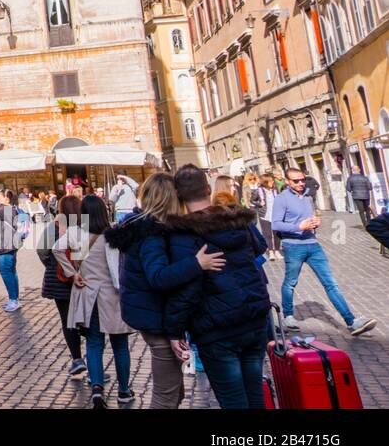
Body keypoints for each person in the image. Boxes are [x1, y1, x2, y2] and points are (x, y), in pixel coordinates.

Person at [105, 173, 225, 409]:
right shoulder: (151, 234)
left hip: (148, 314)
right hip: (155, 318)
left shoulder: (138, 226)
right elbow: (158, 277)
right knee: (165, 396)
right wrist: (196, 264)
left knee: (174, 391)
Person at [162, 166, 272, 409]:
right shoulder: (236, 222)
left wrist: (174, 330)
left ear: (178, 195)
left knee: (234, 402)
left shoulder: (183, 234)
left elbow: (187, 291)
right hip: (253, 317)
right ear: (208, 189)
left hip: (217, 328)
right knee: (255, 396)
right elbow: (259, 248)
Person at [272, 167, 376, 336]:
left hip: (313, 245)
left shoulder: (307, 197)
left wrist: (315, 221)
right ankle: (288, 316)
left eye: (302, 179)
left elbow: (309, 217)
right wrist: (299, 226)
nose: (300, 183)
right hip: (293, 246)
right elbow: (276, 224)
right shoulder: (281, 199)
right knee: (290, 282)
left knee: (330, 283)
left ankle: (352, 322)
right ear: (287, 181)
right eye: (296, 181)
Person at [54, 195, 133, 407]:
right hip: (113, 296)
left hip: (89, 295)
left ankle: (97, 388)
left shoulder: (75, 233)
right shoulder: (113, 234)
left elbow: (56, 249)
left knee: (94, 343)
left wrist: (73, 273)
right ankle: (124, 391)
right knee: (120, 345)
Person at [38, 195, 88, 380]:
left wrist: (52, 265)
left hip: (59, 280)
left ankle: (77, 359)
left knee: (68, 320)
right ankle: (93, 360)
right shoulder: (86, 226)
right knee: (89, 319)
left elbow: (42, 250)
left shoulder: (54, 227)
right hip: (84, 278)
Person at [0, 188, 23, 312]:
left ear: (7, 198)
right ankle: (14, 299)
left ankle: (14, 300)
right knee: (11, 272)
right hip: (10, 244)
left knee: (6, 272)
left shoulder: (5, 209)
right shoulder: (12, 208)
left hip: (5, 246)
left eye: (0, 196)